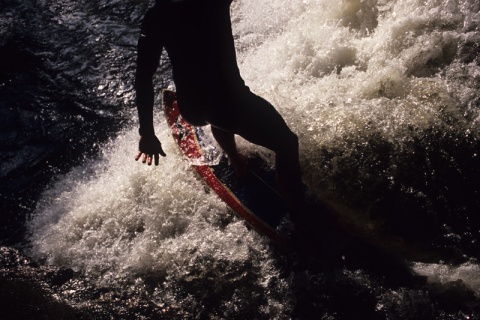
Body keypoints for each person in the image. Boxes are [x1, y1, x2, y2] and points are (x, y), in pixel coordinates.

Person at [134, 0, 304, 210]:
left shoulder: (156, 15)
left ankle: (236, 161)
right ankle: (300, 214)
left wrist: (147, 133)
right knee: (287, 143)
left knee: (221, 116)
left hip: (191, 108)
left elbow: (143, 78)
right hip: (229, 105)